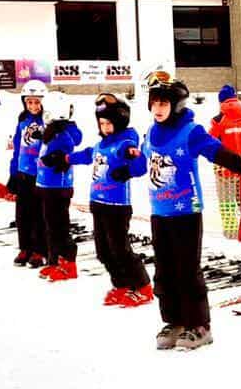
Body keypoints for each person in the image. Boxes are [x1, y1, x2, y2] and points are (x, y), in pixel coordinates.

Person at [134, 72, 241, 350]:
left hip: (186, 211)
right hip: (159, 211)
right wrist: (123, 167)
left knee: (187, 270)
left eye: (164, 103)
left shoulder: (191, 132)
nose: (158, 109)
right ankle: (174, 320)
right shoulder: (150, 132)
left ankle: (199, 324)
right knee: (164, 270)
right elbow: (142, 164)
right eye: (154, 103)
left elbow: (219, 152)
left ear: (176, 105)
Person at [68, 93, 151, 306]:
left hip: (117, 206)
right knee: (103, 252)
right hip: (98, 203)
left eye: (109, 123)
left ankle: (142, 286)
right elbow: (88, 155)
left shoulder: (125, 143)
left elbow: (141, 164)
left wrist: (126, 171)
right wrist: (67, 158)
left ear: (120, 121)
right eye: (102, 123)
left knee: (120, 250)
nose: (105, 127)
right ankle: (121, 285)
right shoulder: (101, 144)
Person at [35, 90, 84, 281]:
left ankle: (68, 263)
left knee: (59, 227)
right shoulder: (51, 132)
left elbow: (68, 146)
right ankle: (54, 261)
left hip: (58, 188)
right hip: (47, 186)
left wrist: (56, 157)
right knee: (51, 226)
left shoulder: (62, 133)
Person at [209, 84, 241, 242]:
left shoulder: (218, 120)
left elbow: (210, 145)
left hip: (224, 172)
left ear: (220, 101)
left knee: (228, 207)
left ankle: (231, 240)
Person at [8, 80, 50, 267]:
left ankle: (40, 250)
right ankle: (25, 247)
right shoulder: (22, 119)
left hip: (41, 175)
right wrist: (13, 174)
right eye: (29, 102)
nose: (33, 106)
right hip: (24, 172)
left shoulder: (49, 120)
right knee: (23, 213)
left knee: (39, 214)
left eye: (37, 102)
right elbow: (17, 148)